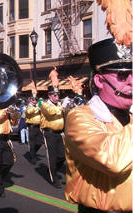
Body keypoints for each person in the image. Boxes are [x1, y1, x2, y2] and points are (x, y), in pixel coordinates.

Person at [64, 38, 132, 213]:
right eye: (123, 75)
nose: (131, 81)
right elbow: (113, 160)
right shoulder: (80, 117)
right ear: (100, 81)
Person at [40, 67, 65, 189]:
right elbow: (50, 112)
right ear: (49, 96)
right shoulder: (45, 104)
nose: (57, 97)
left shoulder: (59, 104)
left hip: (59, 133)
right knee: (52, 156)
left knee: (62, 156)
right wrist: (62, 106)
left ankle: (55, 170)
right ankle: (54, 178)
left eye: (58, 94)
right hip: (49, 133)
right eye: (55, 95)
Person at [25, 88, 43, 165]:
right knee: (32, 143)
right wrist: (37, 109)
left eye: (36, 99)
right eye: (33, 99)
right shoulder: (29, 107)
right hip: (31, 127)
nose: (35, 101)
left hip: (38, 127)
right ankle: (33, 157)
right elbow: (29, 112)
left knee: (39, 143)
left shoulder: (37, 107)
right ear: (30, 100)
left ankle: (33, 153)